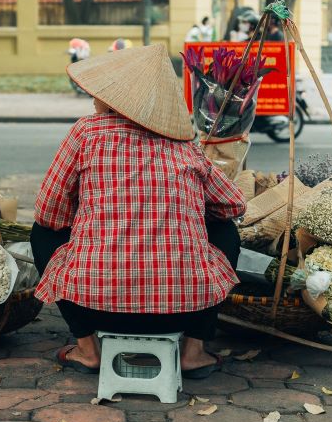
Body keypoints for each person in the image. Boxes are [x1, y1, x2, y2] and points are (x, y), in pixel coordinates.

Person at [31, 44, 244, 380]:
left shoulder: (87, 133)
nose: (94, 97)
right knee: (225, 230)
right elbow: (233, 204)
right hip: (181, 311)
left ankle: (87, 349)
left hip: (96, 308)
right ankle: (193, 351)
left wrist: (88, 219)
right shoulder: (184, 143)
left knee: (41, 233)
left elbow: (48, 214)